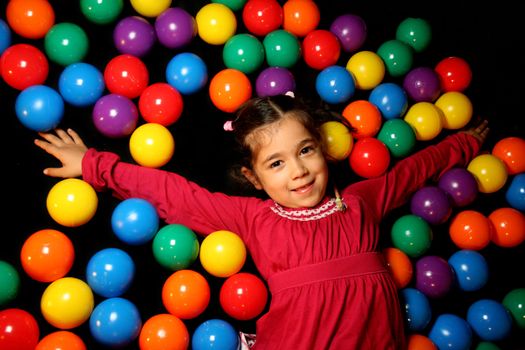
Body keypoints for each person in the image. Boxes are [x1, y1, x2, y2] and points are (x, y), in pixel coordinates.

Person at [34, 94, 489, 349]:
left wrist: (463, 146)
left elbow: (411, 173)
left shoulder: (361, 201)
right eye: (276, 163)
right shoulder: (254, 218)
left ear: (321, 148)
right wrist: (94, 164)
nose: (298, 170)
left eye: (305, 150)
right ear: (253, 177)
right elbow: (176, 194)